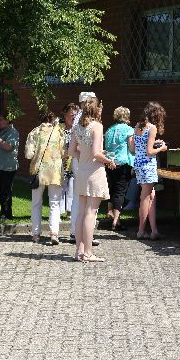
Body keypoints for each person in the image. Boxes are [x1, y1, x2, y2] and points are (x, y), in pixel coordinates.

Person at [68, 97, 115, 262]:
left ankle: (79, 251)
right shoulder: (97, 126)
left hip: (82, 171)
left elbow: (71, 151)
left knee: (81, 212)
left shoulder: (77, 127)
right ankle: (88, 252)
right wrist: (109, 161)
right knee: (90, 213)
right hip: (94, 172)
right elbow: (96, 152)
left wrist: (84, 157)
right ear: (97, 110)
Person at [24, 111, 65, 245]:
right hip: (55, 171)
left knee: (36, 202)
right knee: (55, 203)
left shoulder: (34, 132)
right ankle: (54, 233)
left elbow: (28, 154)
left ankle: (36, 234)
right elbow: (64, 152)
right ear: (52, 120)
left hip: (38, 171)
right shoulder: (59, 132)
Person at [131, 101, 167, 240]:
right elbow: (150, 151)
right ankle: (141, 231)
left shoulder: (138, 126)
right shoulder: (152, 128)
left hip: (138, 164)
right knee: (145, 197)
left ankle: (154, 231)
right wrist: (162, 148)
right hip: (148, 165)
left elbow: (133, 149)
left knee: (151, 196)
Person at [69, 91, 100, 246]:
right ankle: (85, 240)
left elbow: (71, 149)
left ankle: (79, 244)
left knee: (81, 205)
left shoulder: (77, 120)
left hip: (80, 163)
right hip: (90, 165)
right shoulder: (94, 123)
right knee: (90, 208)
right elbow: (94, 151)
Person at [104, 106, 135, 231]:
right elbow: (132, 148)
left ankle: (110, 214)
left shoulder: (109, 130)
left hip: (110, 162)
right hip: (123, 163)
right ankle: (116, 221)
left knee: (112, 189)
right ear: (126, 116)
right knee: (120, 191)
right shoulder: (128, 130)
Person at [0, 111, 20, 220]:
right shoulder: (3, 131)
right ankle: (3, 212)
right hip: (0, 165)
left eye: (1, 120)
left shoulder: (12, 132)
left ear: (7, 120)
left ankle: (7, 214)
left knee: (5, 190)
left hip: (7, 166)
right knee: (1, 190)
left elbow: (8, 147)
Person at [60, 102, 79, 216]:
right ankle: (60, 210)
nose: (73, 118)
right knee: (61, 186)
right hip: (62, 161)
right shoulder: (59, 129)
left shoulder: (77, 129)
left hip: (74, 161)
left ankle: (71, 211)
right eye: (71, 115)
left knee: (72, 185)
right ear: (65, 115)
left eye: (75, 116)